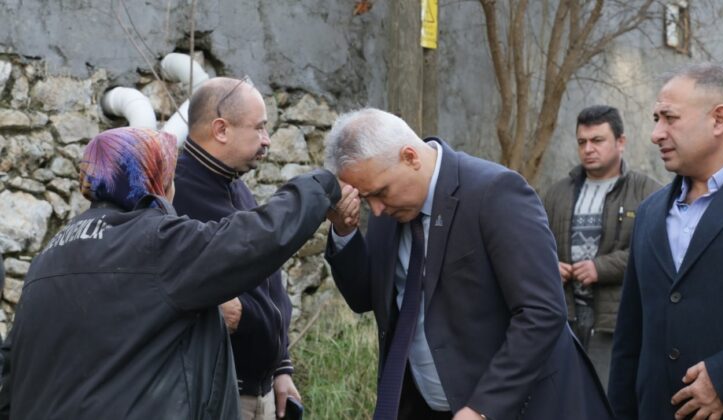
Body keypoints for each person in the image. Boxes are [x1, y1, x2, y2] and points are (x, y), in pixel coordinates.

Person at [0, 127, 340, 419]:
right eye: (169, 174)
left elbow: (10, 367)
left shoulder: (50, 255)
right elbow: (255, 238)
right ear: (154, 179)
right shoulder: (154, 243)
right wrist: (320, 185)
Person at [324, 108, 613, 420]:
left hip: (512, 408)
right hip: (427, 407)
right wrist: (344, 232)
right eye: (367, 199)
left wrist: (483, 407)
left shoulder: (496, 193)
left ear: (410, 157)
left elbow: (542, 312)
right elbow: (366, 298)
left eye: (380, 193)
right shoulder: (389, 210)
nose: (376, 210)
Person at [609, 63, 723, 419]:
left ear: (718, 120)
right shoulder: (650, 213)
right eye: (656, 118)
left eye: (669, 118)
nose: (655, 134)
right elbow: (629, 340)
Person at [172, 76, 299, 420]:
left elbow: (268, 279)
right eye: (258, 128)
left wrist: (281, 368)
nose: (267, 140)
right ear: (221, 129)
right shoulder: (175, 194)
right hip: (214, 394)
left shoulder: (236, 187)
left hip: (262, 391)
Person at [543, 105, 660, 386]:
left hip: (615, 323)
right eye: (582, 142)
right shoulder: (557, 193)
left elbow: (654, 252)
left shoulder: (648, 192)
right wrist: (548, 266)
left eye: (597, 140)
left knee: (608, 401)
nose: (588, 149)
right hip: (565, 319)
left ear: (621, 142)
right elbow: (535, 245)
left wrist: (600, 268)